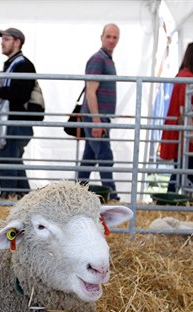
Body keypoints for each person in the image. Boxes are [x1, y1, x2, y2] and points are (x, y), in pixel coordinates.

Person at [0, 27, 36, 199]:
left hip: (16, 123)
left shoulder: (24, 65)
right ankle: (25, 198)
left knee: (8, 161)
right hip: (11, 121)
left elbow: (21, 95)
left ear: (17, 42)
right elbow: (12, 93)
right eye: (2, 39)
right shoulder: (13, 64)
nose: (2, 42)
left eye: (6, 39)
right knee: (14, 161)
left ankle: (7, 197)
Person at [77, 23, 120, 201]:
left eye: (115, 37)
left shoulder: (107, 59)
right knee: (105, 155)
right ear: (101, 37)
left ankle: (76, 193)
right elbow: (91, 91)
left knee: (89, 158)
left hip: (99, 118)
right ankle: (112, 196)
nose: (111, 40)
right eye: (108, 36)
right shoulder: (98, 59)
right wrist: (96, 120)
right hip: (96, 117)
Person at [159, 41, 193, 193]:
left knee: (182, 166)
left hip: (181, 127)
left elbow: (186, 105)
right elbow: (183, 106)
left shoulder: (184, 75)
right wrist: (192, 129)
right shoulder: (188, 77)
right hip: (183, 130)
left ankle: (176, 198)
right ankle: (188, 199)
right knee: (187, 165)